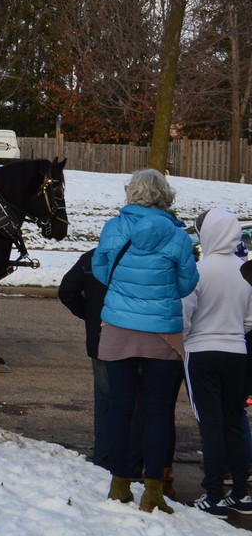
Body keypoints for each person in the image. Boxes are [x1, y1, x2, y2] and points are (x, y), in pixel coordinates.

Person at [92, 168, 198, 514]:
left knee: (120, 408)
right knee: (157, 413)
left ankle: (119, 485)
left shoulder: (113, 228)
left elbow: (100, 271)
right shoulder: (178, 236)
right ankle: (153, 492)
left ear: (132, 193)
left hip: (119, 327)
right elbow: (186, 286)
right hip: (161, 332)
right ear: (164, 195)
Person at [182, 208, 252, 516]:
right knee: (235, 420)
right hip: (237, 352)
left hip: (201, 351)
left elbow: (183, 316)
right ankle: (240, 492)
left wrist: (190, 336)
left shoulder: (198, 269)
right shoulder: (245, 270)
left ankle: (212, 495)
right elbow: (250, 319)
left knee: (210, 424)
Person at [58, 249, 143, 473]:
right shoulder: (140, 256)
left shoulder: (93, 257)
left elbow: (67, 291)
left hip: (101, 339)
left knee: (105, 402)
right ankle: (131, 464)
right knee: (134, 403)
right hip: (136, 338)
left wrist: (90, 315)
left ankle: (104, 460)